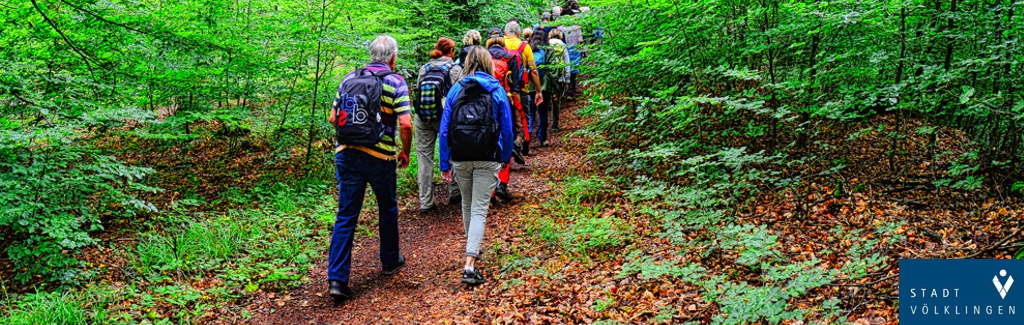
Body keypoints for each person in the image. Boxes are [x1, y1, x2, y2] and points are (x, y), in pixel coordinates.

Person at [326, 35, 411, 300]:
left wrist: (353, 136)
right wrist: (404, 151)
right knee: (387, 208)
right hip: (381, 158)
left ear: (371, 55)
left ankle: (337, 280)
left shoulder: (349, 78)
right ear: (393, 58)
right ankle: (389, 261)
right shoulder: (395, 81)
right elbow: (406, 124)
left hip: (347, 155)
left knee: (346, 216)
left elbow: (333, 118)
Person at [438, 45, 514, 285]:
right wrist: (506, 156)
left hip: (460, 155)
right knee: (479, 209)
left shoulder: (455, 91)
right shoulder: (496, 89)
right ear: (488, 63)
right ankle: (470, 265)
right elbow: (507, 128)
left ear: (468, 63)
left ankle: (472, 249)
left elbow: (444, 129)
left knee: (468, 206)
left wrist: (444, 162)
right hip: (488, 155)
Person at [414, 37, 464, 213]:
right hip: (446, 117)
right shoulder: (456, 69)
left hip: (423, 118)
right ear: (451, 51)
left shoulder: (423, 68)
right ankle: (454, 192)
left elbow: (419, 91)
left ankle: (426, 202)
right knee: (453, 152)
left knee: (424, 158)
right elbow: (459, 97)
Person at [485, 28, 524, 202]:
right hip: (505, 102)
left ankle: (489, 190)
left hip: (483, 105)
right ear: (502, 39)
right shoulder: (512, 57)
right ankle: (502, 183)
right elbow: (516, 88)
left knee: (487, 144)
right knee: (506, 140)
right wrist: (518, 116)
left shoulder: (481, 56)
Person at [503, 21, 543, 155]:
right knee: (524, 117)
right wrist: (538, 90)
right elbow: (533, 70)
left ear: (505, 33)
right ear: (518, 33)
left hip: (502, 90)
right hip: (521, 89)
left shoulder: (500, 45)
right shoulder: (524, 47)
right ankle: (519, 141)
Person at [538, 28, 571, 144]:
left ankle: (543, 125)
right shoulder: (563, 45)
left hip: (547, 77)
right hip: (560, 77)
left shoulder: (546, 45)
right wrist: (567, 79)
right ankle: (554, 124)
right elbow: (567, 63)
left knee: (546, 102)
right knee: (557, 101)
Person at [526, 28, 549, 146]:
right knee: (542, 113)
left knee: (530, 113)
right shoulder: (546, 50)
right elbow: (551, 69)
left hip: (529, 86)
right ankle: (542, 138)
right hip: (543, 86)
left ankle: (527, 137)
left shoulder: (527, 49)